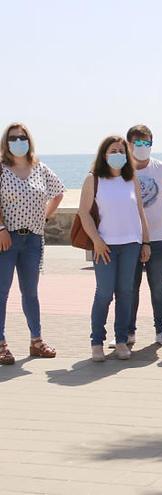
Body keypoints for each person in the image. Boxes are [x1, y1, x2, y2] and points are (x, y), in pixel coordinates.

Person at [78, 136, 150, 362]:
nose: (117, 154)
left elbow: (140, 212)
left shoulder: (132, 179)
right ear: (104, 154)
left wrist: (145, 242)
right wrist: (97, 241)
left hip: (131, 244)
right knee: (104, 293)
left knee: (126, 293)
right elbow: (84, 213)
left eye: (121, 150)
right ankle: (96, 342)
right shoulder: (93, 179)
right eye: (113, 150)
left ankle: (121, 340)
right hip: (105, 246)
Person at [0, 123, 65, 365]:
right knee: (1, 292)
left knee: (30, 293)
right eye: (13, 138)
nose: (18, 141)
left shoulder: (40, 168)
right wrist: (1, 229)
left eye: (22, 137)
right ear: (6, 142)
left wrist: (44, 217)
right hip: (7, 238)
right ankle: (1, 344)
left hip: (33, 239)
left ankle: (36, 341)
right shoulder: (1, 169)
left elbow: (58, 192)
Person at [123, 125, 162, 348]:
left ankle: (161, 330)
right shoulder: (123, 170)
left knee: (158, 285)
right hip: (130, 239)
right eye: (138, 143)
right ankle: (127, 332)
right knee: (129, 287)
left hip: (159, 238)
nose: (142, 147)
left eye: (146, 143)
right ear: (129, 144)